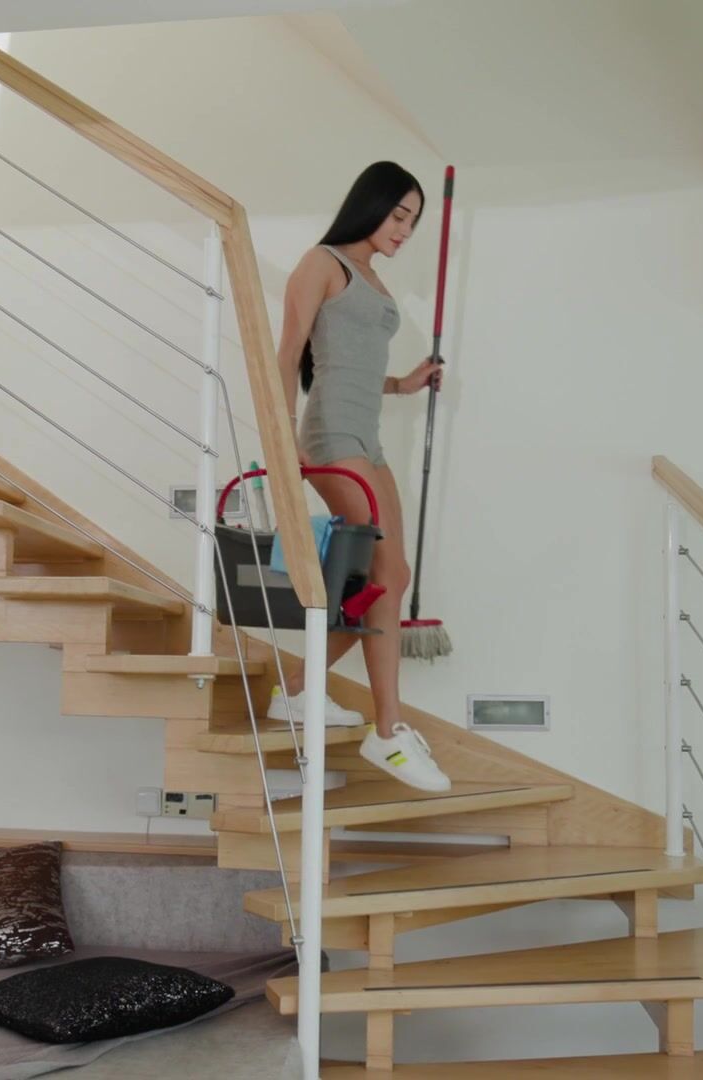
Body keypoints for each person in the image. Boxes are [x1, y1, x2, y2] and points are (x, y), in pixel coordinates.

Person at [263, 161, 450, 794]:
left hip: (367, 436)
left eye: (413, 221)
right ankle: (388, 731)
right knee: (382, 571)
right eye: (398, 215)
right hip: (332, 434)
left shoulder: (371, 277)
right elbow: (289, 352)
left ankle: (298, 688)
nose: (405, 230)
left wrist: (404, 384)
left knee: (393, 577)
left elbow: (355, 366)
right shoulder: (323, 263)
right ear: (369, 205)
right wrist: (283, 439)